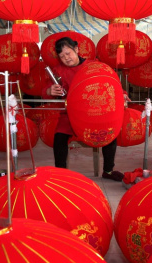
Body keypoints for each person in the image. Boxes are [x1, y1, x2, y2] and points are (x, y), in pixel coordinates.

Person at [42, 37, 126, 181]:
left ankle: (108, 170)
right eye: (62, 56)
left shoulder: (94, 66)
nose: (66, 58)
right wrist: (50, 91)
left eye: (68, 53)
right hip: (69, 114)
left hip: (95, 113)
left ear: (76, 49)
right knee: (59, 138)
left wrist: (122, 95)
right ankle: (60, 173)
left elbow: (110, 83)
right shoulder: (58, 71)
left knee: (110, 133)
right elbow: (44, 91)